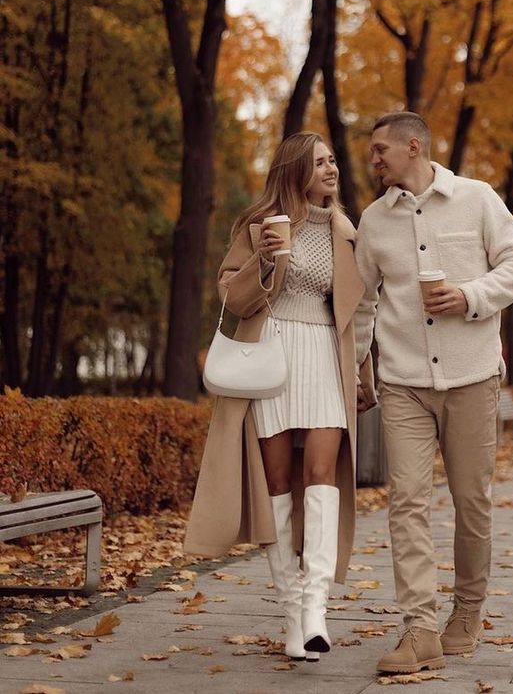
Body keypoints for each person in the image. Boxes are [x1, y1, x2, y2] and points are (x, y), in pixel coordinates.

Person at [354, 112, 513, 675]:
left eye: (382, 149)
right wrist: (361, 368)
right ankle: (419, 629)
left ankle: (468, 610)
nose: (373, 159)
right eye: (370, 151)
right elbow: (363, 303)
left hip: (473, 377)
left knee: (471, 501)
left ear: (414, 146)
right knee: (406, 500)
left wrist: (470, 295)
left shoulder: (477, 199)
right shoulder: (373, 221)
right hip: (404, 383)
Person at [185, 132, 375, 661]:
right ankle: (291, 613)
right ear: (295, 171)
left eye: (333, 160)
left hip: (324, 359)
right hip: (271, 357)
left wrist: (363, 374)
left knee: (321, 475)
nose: (332, 169)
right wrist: (263, 263)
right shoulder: (259, 227)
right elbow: (233, 297)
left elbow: (361, 311)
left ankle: (316, 610)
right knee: (277, 483)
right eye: (320, 163)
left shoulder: (346, 231)